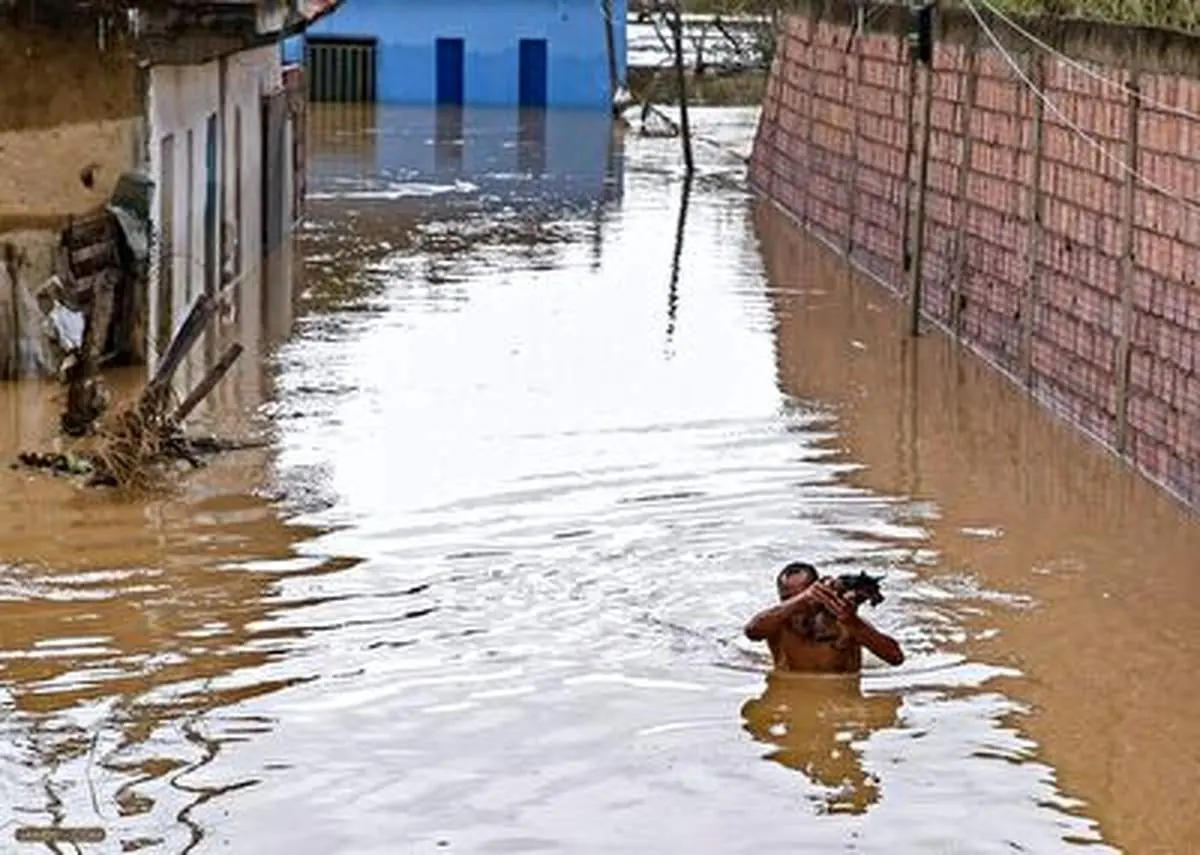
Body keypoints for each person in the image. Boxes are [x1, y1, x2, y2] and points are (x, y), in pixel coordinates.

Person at [743, 561, 904, 673]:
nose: (800, 607)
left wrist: (853, 622)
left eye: (805, 594)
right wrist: (801, 600)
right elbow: (752, 631)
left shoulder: (844, 622)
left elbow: (896, 658)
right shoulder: (777, 621)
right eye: (789, 598)